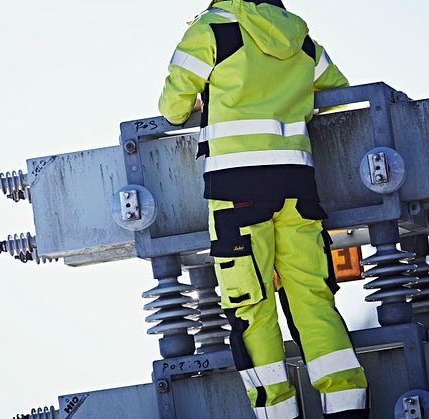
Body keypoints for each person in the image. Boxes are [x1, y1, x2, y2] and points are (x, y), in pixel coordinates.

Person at [158, 1, 369, 418]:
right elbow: (338, 92)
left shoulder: (211, 31)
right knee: (312, 296)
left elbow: (172, 109)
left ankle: (277, 411)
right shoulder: (300, 38)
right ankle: (347, 405)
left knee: (250, 304)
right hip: (297, 185)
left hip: (237, 188)